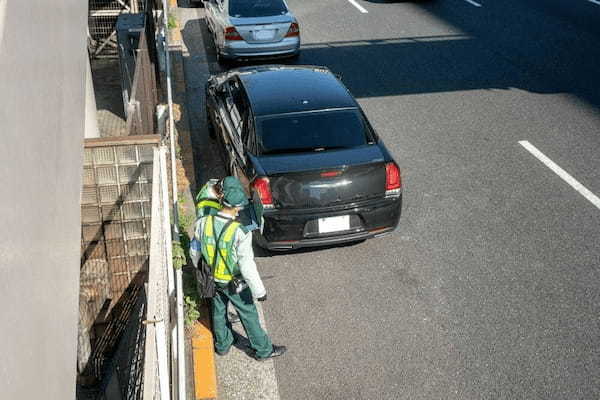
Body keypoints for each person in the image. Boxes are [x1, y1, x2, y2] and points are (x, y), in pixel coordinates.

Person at [190, 176, 286, 360]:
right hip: (235, 281)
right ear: (237, 207)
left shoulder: (203, 223)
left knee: (218, 311)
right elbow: (247, 265)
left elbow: (194, 250)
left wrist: (200, 268)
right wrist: (260, 291)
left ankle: (223, 345)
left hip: (212, 279)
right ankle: (263, 350)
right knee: (248, 314)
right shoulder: (240, 232)